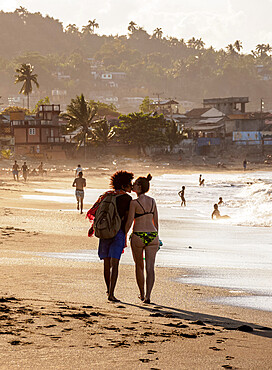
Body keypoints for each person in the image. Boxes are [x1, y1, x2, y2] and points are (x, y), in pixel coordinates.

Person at [87, 170, 134, 302]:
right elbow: (127, 219)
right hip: (117, 232)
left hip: (104, 231)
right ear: (124, 186)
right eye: (129, 184)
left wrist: (94, 228)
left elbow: (95, 212)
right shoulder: (127, 199)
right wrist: (124, 233)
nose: (131, 186)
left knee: (106, 264)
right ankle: (111, 294)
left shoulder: (106, 195)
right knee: (115, 264)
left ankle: (108, 289)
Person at [125, 174, 159, 304]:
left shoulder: (134, 203)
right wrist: (158, 238)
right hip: (152, 236)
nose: (133, 185)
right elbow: (156, 222)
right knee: (150, 267)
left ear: (139, 187)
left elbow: (129, 222)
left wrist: (124, 236)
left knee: (139, 266)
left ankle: (142, 294)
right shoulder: (152, 201)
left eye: (135, 183)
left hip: (138, 235)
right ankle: (148, 296)